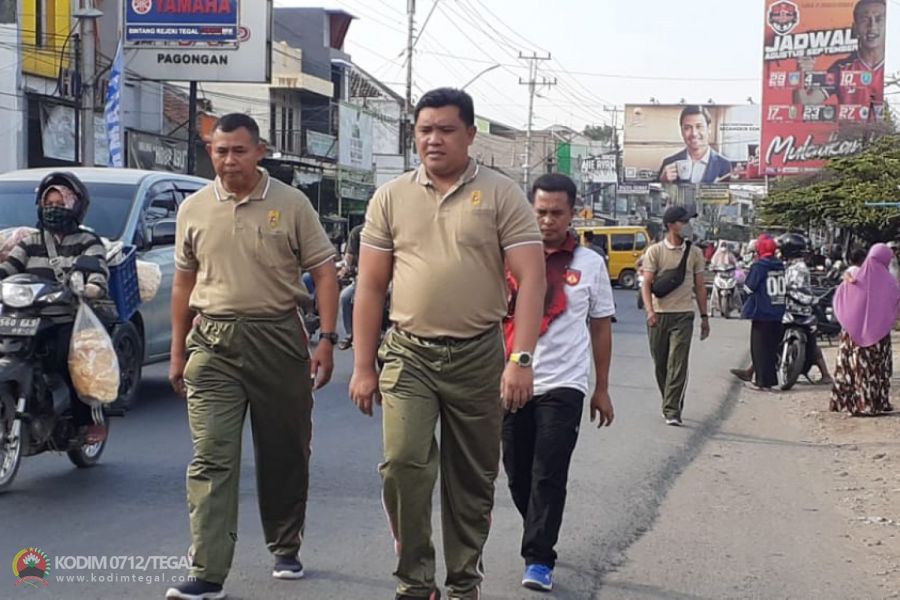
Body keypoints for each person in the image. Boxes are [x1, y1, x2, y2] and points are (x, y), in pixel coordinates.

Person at [348, 88, 545, 600]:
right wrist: (363, 366)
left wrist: (521, 358)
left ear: (470, 134)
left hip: (480, 355)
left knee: (472, 481)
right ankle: (415, 581)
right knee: (401, 463)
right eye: (424, 129)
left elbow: (531, 280)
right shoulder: (390, 197)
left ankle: (462, 584)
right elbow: (369, 287)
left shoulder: (502, 194)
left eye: (446, 129)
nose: (433, 139)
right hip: (409, 352)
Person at [165, 114, 340, 600]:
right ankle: (208, 570)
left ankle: (285, 544)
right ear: (211, 153)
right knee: (211, 457)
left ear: (259, 151)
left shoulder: (291, 203)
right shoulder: (195, 208)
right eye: (220, 151)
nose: (228, 160)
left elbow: (325, 274)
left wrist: (326, 337)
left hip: (278, 337)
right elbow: (184, 283)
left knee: (283, 451)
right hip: (213, 342)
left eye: (239, 151)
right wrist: (177, 353)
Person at [501, 174, 615, 593]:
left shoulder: (590, 264)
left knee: (549, 471)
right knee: (516, 471)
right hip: (511, 381)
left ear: (573, 214)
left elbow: (600, 327)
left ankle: (538, 557)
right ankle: (539, 528)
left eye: (557, 213)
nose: (547, 221)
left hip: (563, 384)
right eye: (540, 212)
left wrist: (600, 387)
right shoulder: (506, 258)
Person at [0, 172, 109, 443]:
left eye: (60, 203)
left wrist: (90, 287)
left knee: (69, 362)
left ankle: (86, 421)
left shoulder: (88, 242)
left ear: (76, 205)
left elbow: (97, 274)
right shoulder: (29, 242)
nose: (53, 209)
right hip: (23, 317)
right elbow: (8, 269)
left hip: (64, 318)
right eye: (48, 203)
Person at [640, 206, 710, 425]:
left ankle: (672, 410)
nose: (687, 226)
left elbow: (700, 287)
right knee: (661, 364)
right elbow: (647, 284)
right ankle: (669, 400)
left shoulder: (695, 253)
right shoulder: (655, 251)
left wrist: (705, 317)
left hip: (683, 315)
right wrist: (650, 311)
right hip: (659, 315)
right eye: (683, 222)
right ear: (671, 225)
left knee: (678, 363)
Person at [830, 243, 900, 415]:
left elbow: (840, 299)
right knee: (875, 371)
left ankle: (846, 402)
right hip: (878, 335)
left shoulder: (854, 275)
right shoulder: (891, 282)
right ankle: (873, 403)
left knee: (851, 368)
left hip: (852, 334)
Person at [780, 233, 834, 384]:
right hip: (795, 309)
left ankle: (825, 374)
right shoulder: (790, 265)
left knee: (812, 342)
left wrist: (809, 300)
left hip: (799, 310)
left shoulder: (799, 268)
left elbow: (798, 290)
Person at [740, 236, 786, 391]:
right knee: (772, 349)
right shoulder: (780, 266)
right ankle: (770, 381)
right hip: (778, 311)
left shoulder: (759, 266)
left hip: (761, 312)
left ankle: (761, 382)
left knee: (759, 349)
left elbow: (748, 288)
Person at [658, 106, 732, 184]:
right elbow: (654, 194)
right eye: (687, 128)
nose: (694, 133)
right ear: (681, 131)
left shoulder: (724, 165)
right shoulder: (669, 163)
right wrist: (662, 183)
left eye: (699, 127)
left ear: (709, 128)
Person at [338, 223, 364, 350]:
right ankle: (350, 334)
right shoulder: (357, 232)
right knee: (345, 297)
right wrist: (346, 268)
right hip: (363, 279)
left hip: (390, 279)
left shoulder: (392, 231)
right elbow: (349, 257)